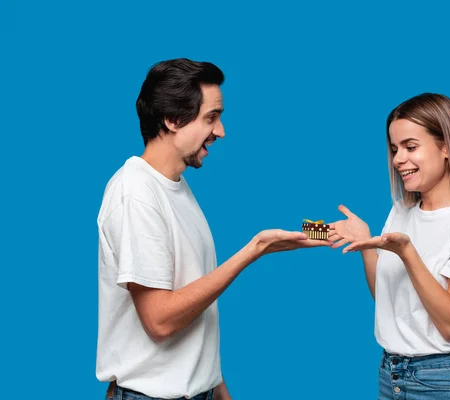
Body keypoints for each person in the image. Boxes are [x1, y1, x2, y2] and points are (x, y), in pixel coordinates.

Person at [96, 58, 329, 400]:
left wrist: (218, 390)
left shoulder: (175, 187)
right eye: (211, 117)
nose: (220, 131)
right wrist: (253, 252)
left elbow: (195, 311)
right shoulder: (135, 193)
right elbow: (160, 321)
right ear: (173, 119)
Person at [328, 93, 450, 399]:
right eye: (395, 149)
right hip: (391, 373)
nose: (398, 159)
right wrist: (366, 242)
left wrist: (407, 253)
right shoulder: (401, 212)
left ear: (446, 145)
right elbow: (388, 298)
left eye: (411, 147)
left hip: (443, 380)